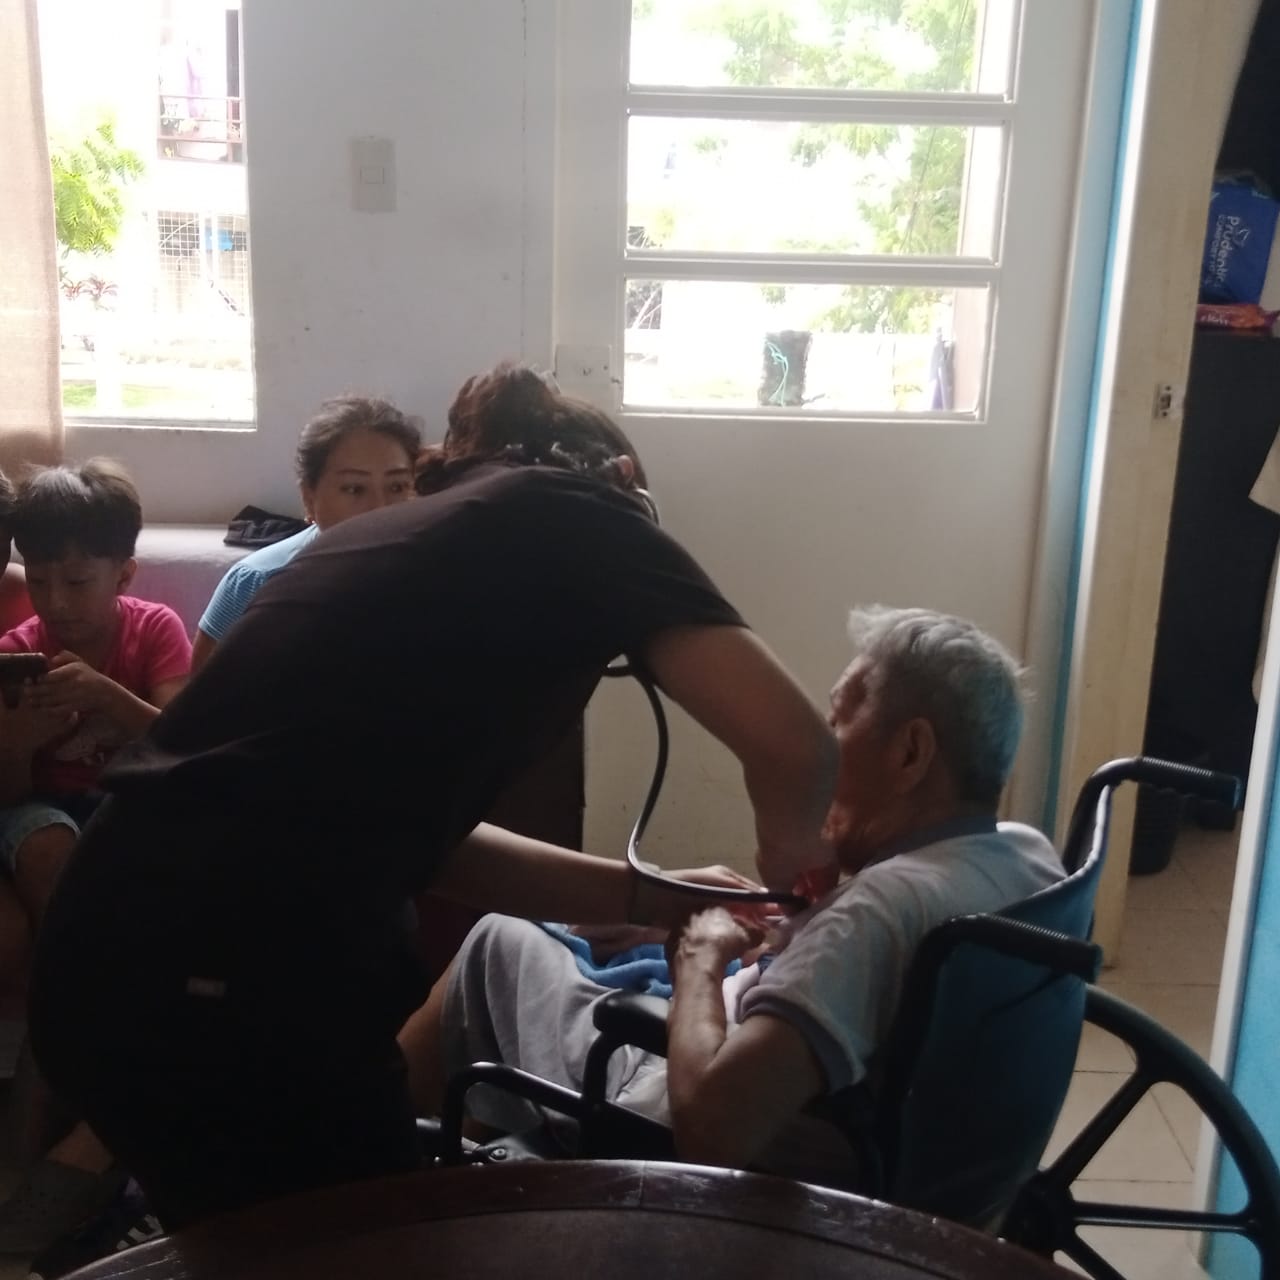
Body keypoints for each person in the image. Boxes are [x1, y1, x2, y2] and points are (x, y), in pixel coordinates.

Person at [26, 362, 838, 1229]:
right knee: (360, 1243)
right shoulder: (587, 511)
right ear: (625, 480)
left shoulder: (397, 550)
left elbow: (434, 845)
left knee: (274, 1238)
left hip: (104, 953)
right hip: (225, 976)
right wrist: (802, 895)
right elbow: (798, 749)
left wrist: (655, 897)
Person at [404, 606, 1065, 1183]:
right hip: (878, 1132)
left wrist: (700, 952)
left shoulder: (876, 914)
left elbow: (716, 1132)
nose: (822, 751)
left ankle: (373, 1166)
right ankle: (487, 1161)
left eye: (835, 723)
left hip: (676, 1125)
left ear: (910, 753)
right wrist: (775, 941)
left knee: (497, 945)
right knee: (584, 939)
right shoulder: (1026, 856)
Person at [0, 459, 192, 1254]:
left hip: (129, 809)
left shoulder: (153, 630)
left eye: (77, 582)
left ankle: (46, 1128)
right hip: (38, 813)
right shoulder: (18, 649)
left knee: (133, 864)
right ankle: (73, 1114)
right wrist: (20, 743)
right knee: (53, 850)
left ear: (124, 574)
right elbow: (10, 793)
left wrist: (109, 698)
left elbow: (184, 746)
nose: (55, 602)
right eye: (40, 580)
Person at [190, 395, 421, 674]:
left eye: (397, 487)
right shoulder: (256, 583)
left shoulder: (434, 578)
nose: (379, 508)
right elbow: (204, 697)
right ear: (309, 498)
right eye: (354, 489)